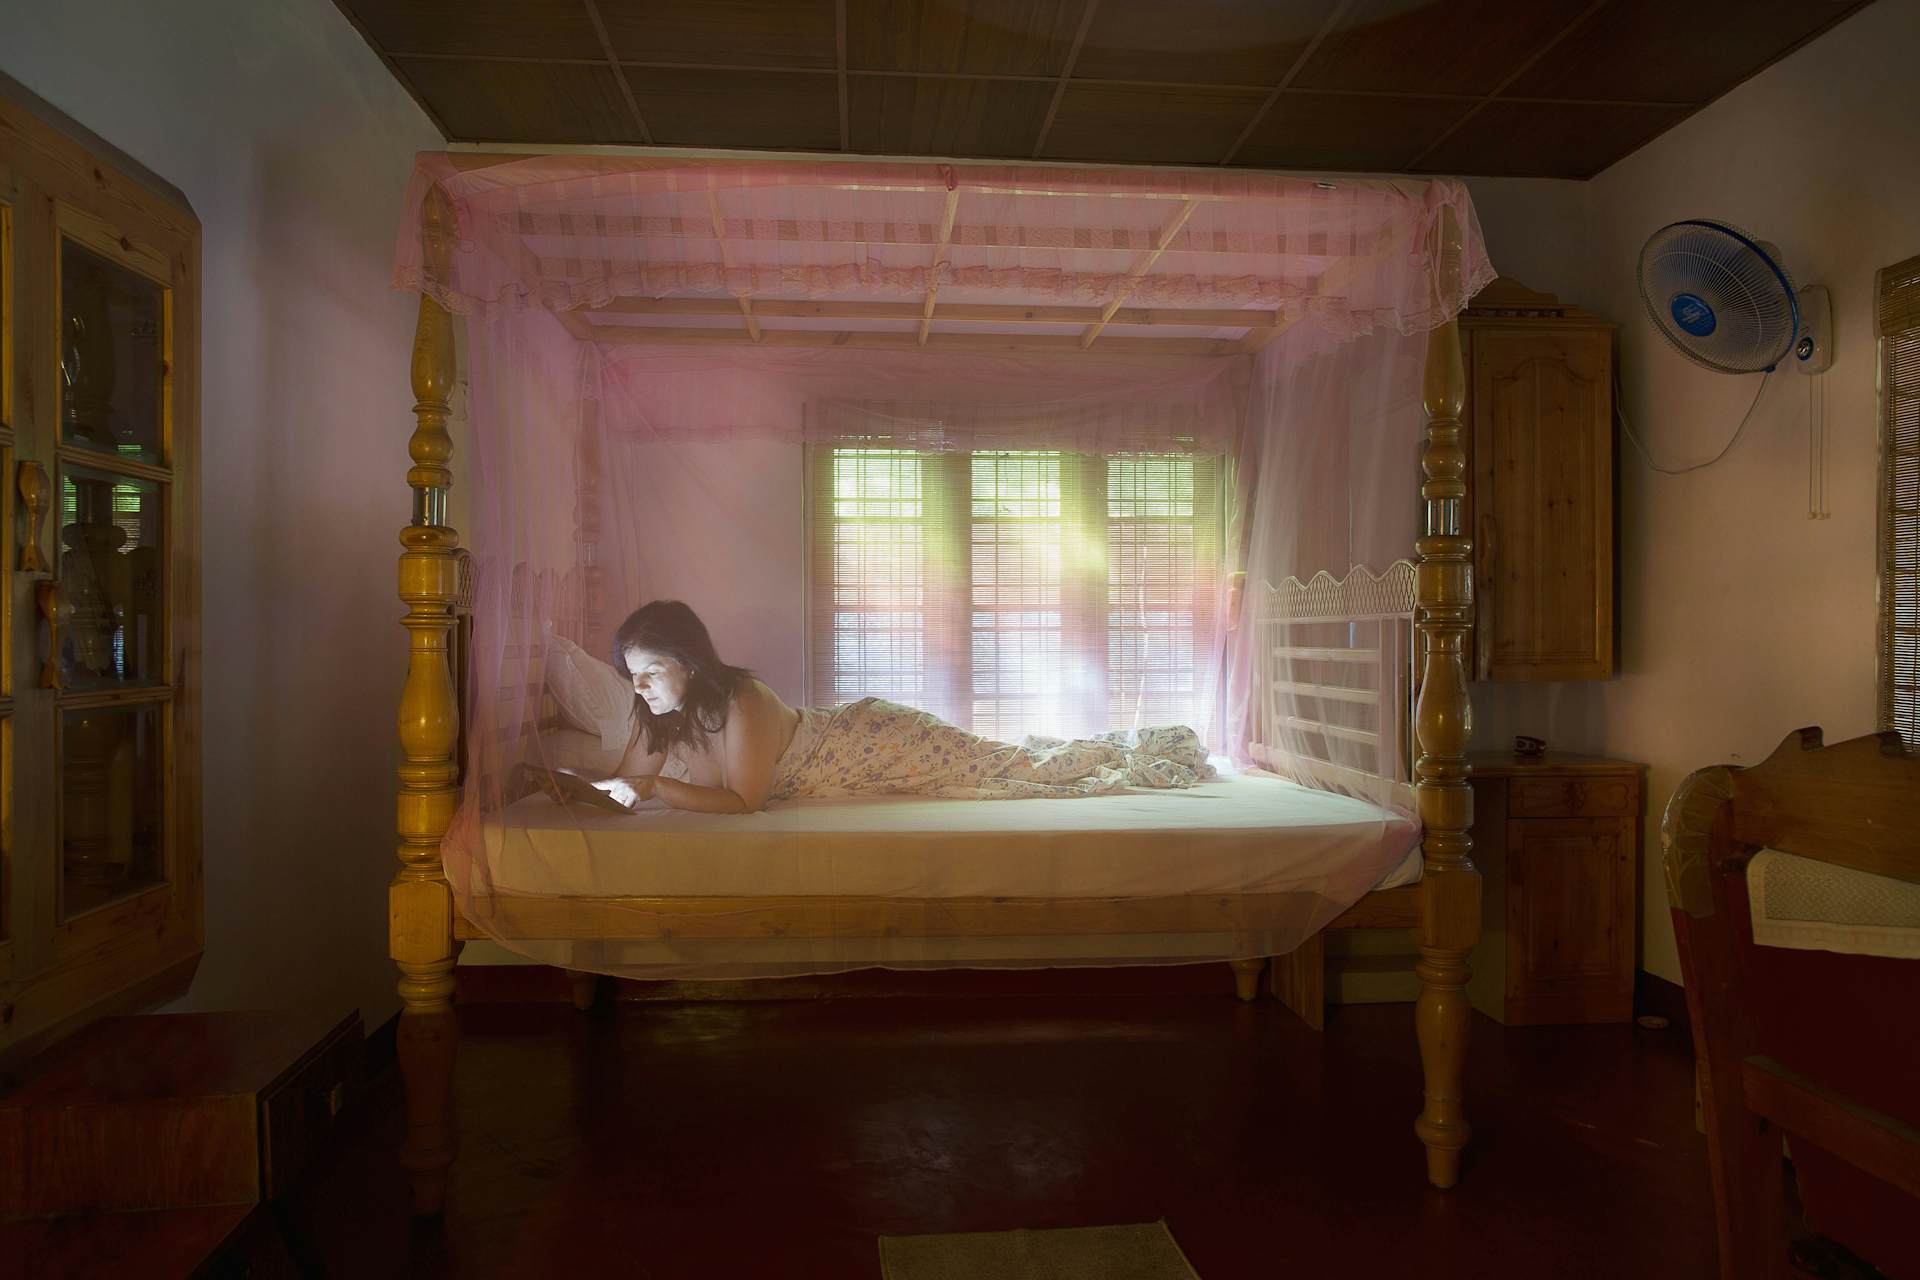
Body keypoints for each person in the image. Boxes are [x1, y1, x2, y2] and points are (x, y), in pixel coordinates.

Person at [581, 600, 1216, 815]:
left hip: (879, 739)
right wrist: (584, 790)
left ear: (689, 662)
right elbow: (628, 776)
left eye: (651, 672)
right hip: (863, 750)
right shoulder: (662, 710)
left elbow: (747, 802)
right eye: (631, 676)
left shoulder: (740, 698)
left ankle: (1138, 746)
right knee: (1007, 764)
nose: (640, 688)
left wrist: (655, 787)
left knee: (1011, 767)